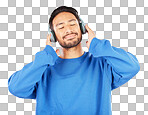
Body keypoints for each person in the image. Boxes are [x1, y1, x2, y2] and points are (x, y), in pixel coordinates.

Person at [8, 6, 140, 115]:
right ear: (53, 35)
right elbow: (16, 88)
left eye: (72, 24)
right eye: (61, 27)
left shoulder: (102, 64)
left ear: (82, 28)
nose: (69, 30)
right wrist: (44, 58)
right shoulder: (43, 68)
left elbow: (132, 67)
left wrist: (98, 46)